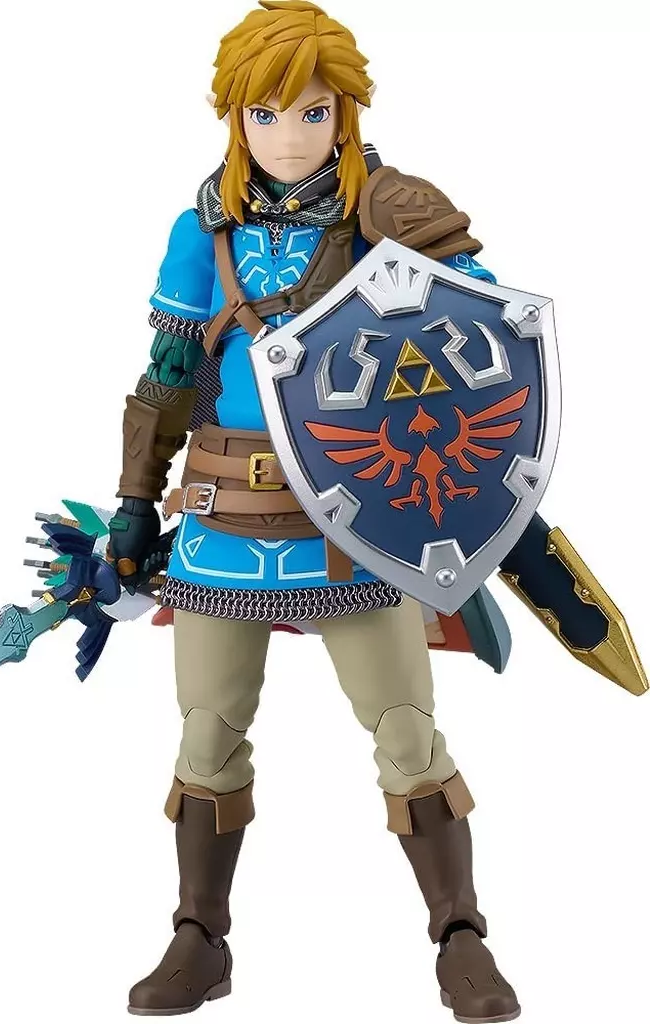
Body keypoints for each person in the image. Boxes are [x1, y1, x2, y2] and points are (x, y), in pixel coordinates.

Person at [109, 3, 520, 1020]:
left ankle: (460, 935)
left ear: (344, 112)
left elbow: (485, 346)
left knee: (407, 735)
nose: (288, 137)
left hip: (357, 517)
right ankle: (199, 938)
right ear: (234, 119)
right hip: (221, 512)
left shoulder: (391, 214)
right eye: (264, 115)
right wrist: (133, 501)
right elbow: (167, 376)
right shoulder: (200, 231)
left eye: (311, 112)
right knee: (205, 737)